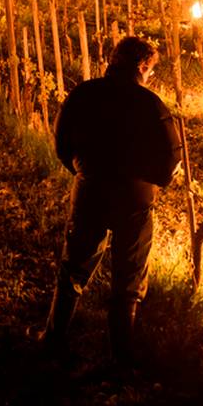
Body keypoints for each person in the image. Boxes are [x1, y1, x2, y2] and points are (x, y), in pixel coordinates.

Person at [41, 36, 182, 365]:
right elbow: (171, 158)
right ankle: (121, 357)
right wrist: (153, 182)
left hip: (90, 190)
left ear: (113, 60)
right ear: (143, 67)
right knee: (128, 280)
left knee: (73, 269)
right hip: (134, 199)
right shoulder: (151, 105)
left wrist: (81, 170)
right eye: (150, 70)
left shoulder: (83, 94)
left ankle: (53, 339)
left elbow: (62, 141)